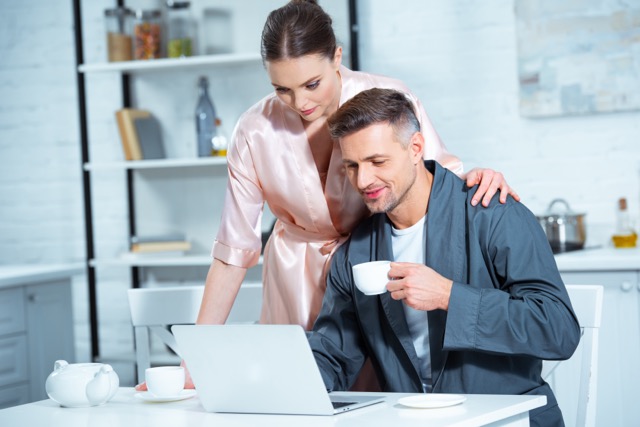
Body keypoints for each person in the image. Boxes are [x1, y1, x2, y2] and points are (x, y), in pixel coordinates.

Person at [137, 0, 518, 390]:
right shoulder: (253, 130)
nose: (300, 103)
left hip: (371, 274)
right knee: (295, 391)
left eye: (312, 84)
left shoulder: (387, 97)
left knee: (374, 398)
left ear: (337, 56)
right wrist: (193, 362)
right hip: (292, 279)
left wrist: (477, 176)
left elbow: (435, 179)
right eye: (282, 89)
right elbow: (233, 253)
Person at [307, 87, 581, 427]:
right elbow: (333, 354)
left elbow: (559, 330)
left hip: (510, 420)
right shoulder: (356, 253)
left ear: (416, 148)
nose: (363, 180)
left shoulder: (492, 214)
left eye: (377, 162)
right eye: (352, 166)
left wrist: (449, 296)